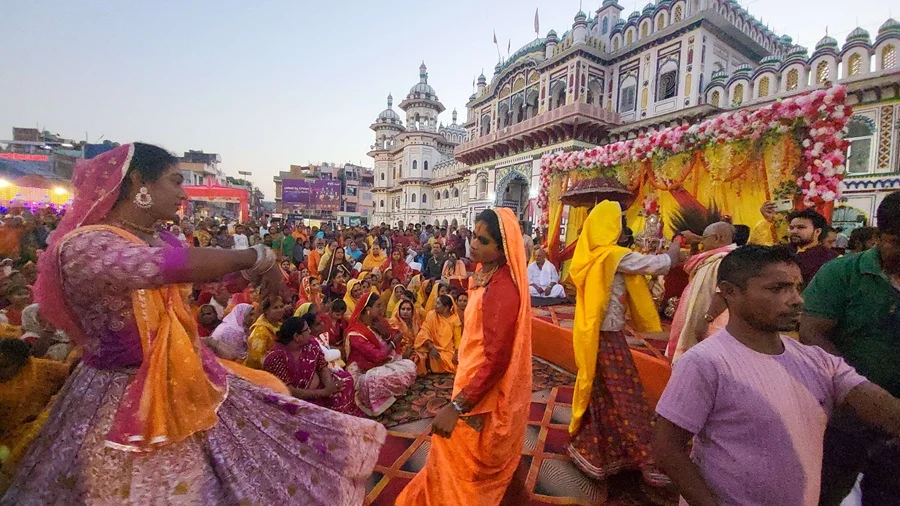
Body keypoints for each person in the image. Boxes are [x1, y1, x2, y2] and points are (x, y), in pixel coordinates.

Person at [6, 143, 385, 504]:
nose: (183, 193)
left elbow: (210, 277)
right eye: (174, 180)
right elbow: (163, 268)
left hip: (182, 375)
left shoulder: (158, 237)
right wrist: (257, 256)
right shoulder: (86, 245)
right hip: (121, 395)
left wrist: (256, 279)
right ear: (139, 182)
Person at [654, 245, 900, 505]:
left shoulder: (817, 361)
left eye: (797, 287)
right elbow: (667, 447)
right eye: (777, 289)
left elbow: (877, 404)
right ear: (730, 292)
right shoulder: (706, 362)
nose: (797, 299)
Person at [397, 208, 532, 505]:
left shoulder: (502, 289)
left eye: (482, 241)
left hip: (482, 397)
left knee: (466, 465)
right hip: (472, 381)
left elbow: (496, 360)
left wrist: (456, 406)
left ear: (502, 247)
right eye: (473, 235)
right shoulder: (489, 274)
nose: (473, 245)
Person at [567, 201, 679, 487]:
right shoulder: (612, 256)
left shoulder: (589, 254)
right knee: (626, 394)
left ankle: (599, 452)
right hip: (607, 336)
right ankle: (647, 457)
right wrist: (676, 245)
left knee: (601, 391)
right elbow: (661, 264)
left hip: (590, 332)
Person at [800, 192, 900, 504]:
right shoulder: (842, 273)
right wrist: (860, 390)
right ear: (880, 237)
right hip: (846, 417)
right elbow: (812, 333)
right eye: (899, 242)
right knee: (826, 492)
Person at [0, 339, 71, 489]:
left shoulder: (44, 369)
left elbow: (72, 374)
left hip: (36, 433)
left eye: (4, 366)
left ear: (23, 362)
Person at [666, 222, 736, 361]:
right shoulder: (713, 259)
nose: (701, 243)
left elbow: (722, 293)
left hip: (713, 324)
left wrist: (707, 319)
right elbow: (691, 267)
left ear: (717, 239)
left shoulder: (726, 260)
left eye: (704, 238)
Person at [263, 316, 361, 416]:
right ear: (297, 336)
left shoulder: (311, 343)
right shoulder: (276, 357)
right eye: (307, 329)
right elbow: (288, 390)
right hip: (298, 399)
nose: (310, 331)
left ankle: (342, 418)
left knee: (346, 380)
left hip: (322, 387)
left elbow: (322, 365)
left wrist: (329, 386)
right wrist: (322, 392)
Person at [344, 293, 417, 416]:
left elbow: (395, 334)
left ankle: (388, 397)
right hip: (364, 372)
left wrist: (387, 336)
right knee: (376, 379)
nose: (382, 310)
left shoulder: (378, 321)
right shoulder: (356, 334)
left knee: (410, 366)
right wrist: (393, 342)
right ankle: (376, 404)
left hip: (382, 363)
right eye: (378, 306)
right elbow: (377, 355)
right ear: (368, 310)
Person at [787, 208, 839, 286]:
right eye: (791, 228)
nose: (794, 231)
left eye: (801, 227)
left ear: (817, 231)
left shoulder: (831, 258)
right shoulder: (781, 252)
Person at [413, 294, 462, 376]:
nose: (435, 305)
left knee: (446, 359)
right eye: (436, 302)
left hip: (447, 351)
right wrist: (431, 347)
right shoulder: (431, 315)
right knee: (419, 356)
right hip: (431, 347)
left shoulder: (455, 320)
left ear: (446, 307)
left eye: (438, 303)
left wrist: (456, 355)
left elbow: (458, 340)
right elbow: (424, 331)